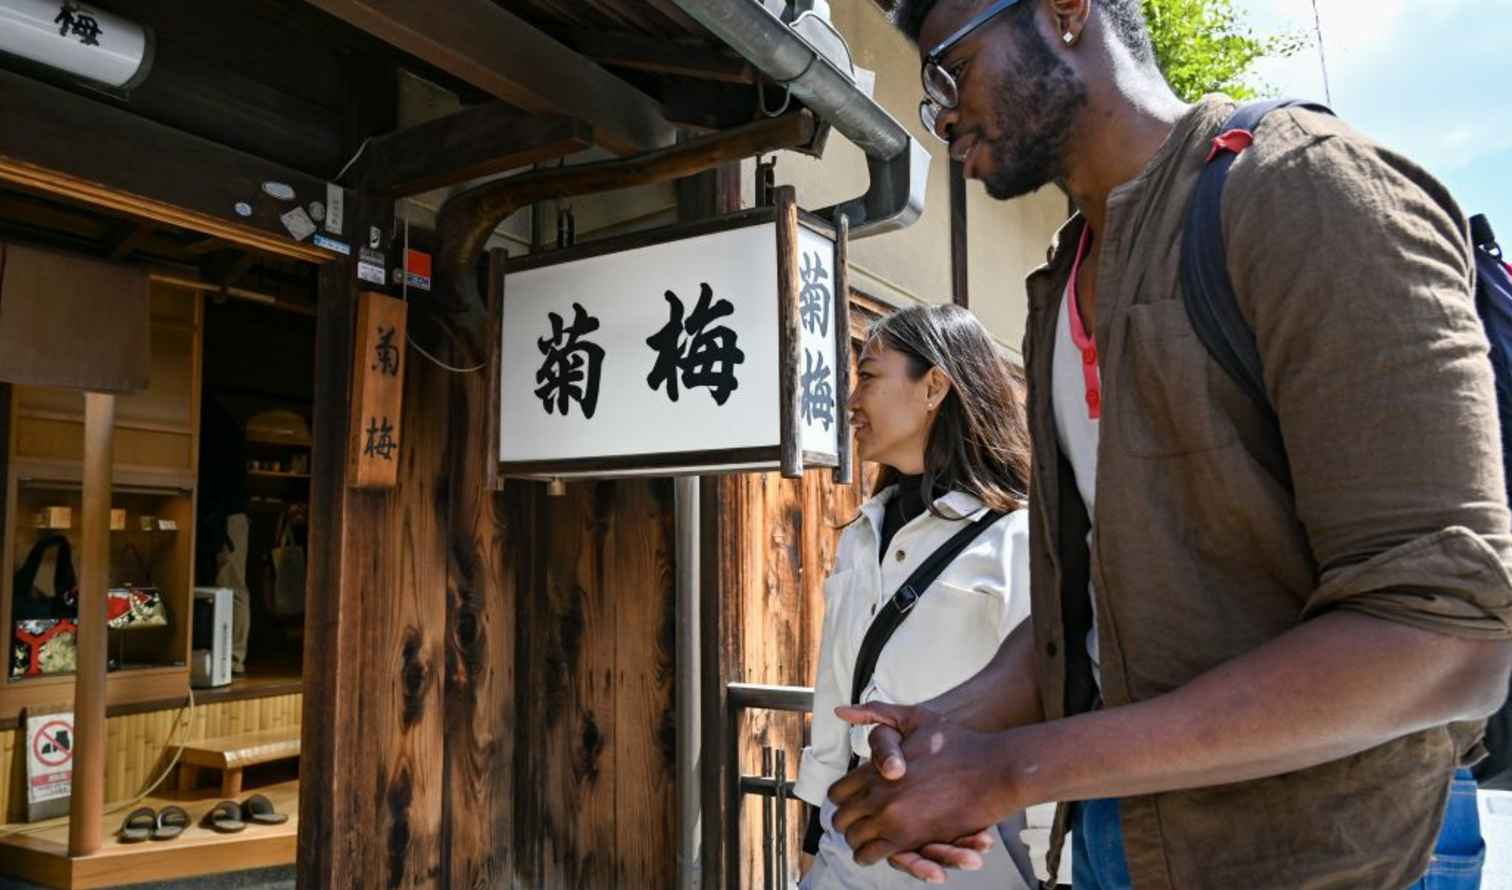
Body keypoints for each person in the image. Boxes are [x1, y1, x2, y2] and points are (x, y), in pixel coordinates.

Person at [823, 2, 1512, 889]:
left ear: (1067, 12)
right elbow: (1111, 603)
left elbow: (1448, 638)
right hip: (1130, 842)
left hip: (1350, 850)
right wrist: (946, 731)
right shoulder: (1064, 281)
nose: (944, 112)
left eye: (953, 68)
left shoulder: (1304, 189)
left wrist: (1012, 769)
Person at [794, 304, 1043, 889]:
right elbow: (836, 691)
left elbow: (1048, 704)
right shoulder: (864, 531)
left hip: (969, 849)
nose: (852, 402)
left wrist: (1053, 867)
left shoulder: (1020, 537)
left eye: (870, 377)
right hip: (848, 837)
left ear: (934, 386)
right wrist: (813, 833)